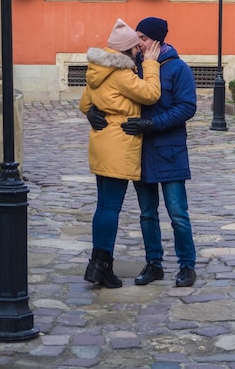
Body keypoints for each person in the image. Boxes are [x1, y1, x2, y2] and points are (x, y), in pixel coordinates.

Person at [88, 17, 197, 287]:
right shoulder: (130, 68)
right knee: (147, 213)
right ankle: (154, 264)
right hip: (140, 152)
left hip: (169, 150)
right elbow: (109, 94)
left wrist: (152, 124)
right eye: (137, 37)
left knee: (178, 213)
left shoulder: (178, 68)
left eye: (144, 38)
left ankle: (187, 265)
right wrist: (93, 111)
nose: (139, 42)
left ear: (158, 42)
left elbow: (187, 107)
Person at [79, 18, 161, 289]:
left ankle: (98, 265)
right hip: (118, 143)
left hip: (101, 141)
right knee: (111, 207)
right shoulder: (122, 72)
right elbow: (150, 94)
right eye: (136, 47)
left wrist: (95, 111)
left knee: (103, 206)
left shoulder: (97, 68)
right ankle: (100, 266)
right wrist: (150, 65)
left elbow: (84, 104)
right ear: (127, 50)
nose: (139, 49)